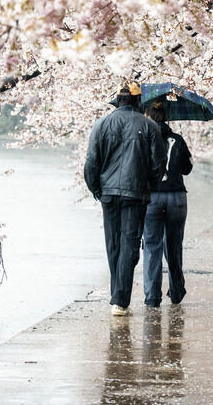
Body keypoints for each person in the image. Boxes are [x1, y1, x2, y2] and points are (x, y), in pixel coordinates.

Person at [84, 82, 167, 316]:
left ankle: (117, 297)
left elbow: (91, 162)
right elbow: (159, 164)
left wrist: (97, 189)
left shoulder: (101, 125)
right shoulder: (149, 126)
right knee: (130, 244)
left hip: (108, 194)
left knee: (113, 243)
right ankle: (120, 299)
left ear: (117, 101)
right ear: (138, 102)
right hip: (135, 192)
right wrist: (148, 184)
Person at [142, 101, 193, 308]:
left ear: (148, 116)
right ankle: (176, 292)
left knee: (152, 247)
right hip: (176, 197)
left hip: (152, 197)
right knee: (173, 245)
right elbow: (187, 169)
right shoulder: (178, 140)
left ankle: (153, 297)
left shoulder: (144, 138)